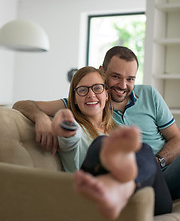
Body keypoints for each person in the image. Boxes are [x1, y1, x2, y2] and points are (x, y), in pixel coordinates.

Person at [12, 46, 180, 200]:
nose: (123, 85)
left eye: (130, 79)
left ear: (105, 93)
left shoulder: (148, 95)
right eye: (116, 77)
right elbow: (25, 106)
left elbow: (176, 138)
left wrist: (157, 162)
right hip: (133, 183)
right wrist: (42, 118)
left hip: (160, 170)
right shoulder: (85, 103)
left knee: (141, 150)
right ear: (103, 72)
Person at [51, 66, 172, 218]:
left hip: (147, 199)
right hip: (91, 198)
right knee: (102, 143)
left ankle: (124, 188)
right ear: (74, 98)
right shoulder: (78, 130)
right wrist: (64, 122)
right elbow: (69, 137)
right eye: (82, 90)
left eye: (97, 88)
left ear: (106, 94)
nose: (91, 95)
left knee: (144, 148)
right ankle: (115, 188)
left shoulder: (118, 130)